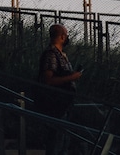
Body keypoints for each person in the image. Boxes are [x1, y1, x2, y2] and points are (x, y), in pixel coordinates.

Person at [37, 23, 83, 154]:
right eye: (66, 35)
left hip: (64, 104)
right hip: (56, 104)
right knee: (56, 141)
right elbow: (48, 80)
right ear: (62, 37)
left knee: (63, 142)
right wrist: (72, 77)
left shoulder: (61, 55)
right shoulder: (51, 55)